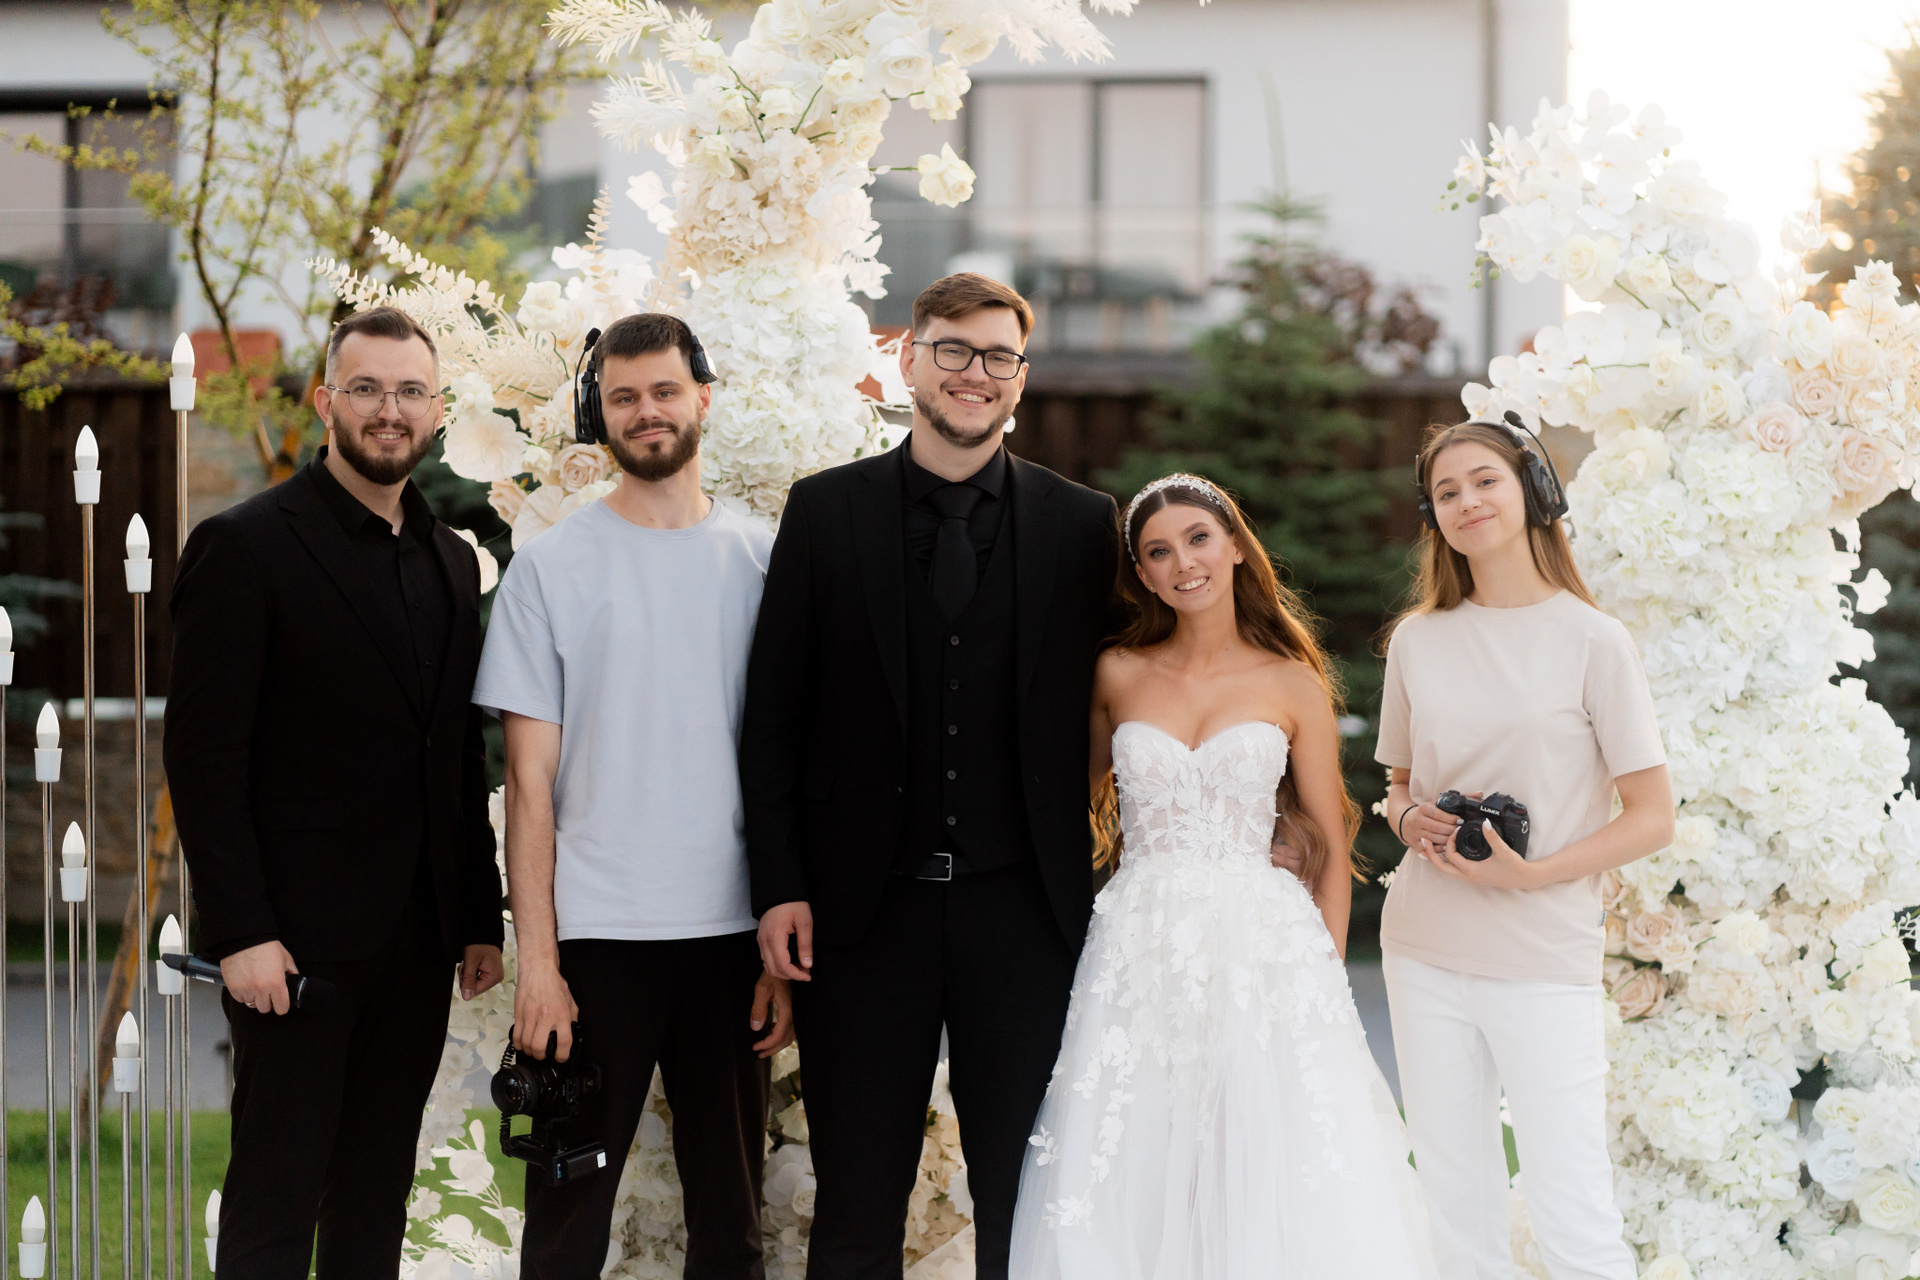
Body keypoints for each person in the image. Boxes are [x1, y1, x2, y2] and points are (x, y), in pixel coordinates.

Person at [740, 273, 1119, 1280]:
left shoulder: (1083, 524)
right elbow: (773, 716)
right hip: (861, 915)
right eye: (953, 349)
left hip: (1026, 914)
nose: (973, 372)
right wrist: (779, 885)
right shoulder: (824, 511)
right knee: (855, 1203)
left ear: (1021, 379)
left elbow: (1146, 689)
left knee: (1026, 1205)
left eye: (998, 356)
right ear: (907, 359)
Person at [1006, 473, 1437, 1278]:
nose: (1183, 563)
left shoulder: (1291, 680)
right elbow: (1057, 808)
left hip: (1263, 952)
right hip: (1139, 945)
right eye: (1158, 552)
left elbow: (1332, 844)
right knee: (1136, 1147)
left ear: (1236, 547)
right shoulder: (1116, 673)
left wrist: (1320, 976)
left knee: (1264, 1156)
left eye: (1198, 539)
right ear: (1142, 575)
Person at [166, 305, 506, 1278]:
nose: (388, 410)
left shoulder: (451, 561)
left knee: (374, 1197)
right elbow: (203, 758)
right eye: (365, 388)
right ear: (325, 402)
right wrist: (241, 930)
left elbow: (453, 752)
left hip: (418, 943)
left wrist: (475, 916)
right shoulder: (245, 546)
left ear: (436, 410)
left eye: (409, 391)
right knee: (274, 1201)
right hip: (293, 947)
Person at [476, 312, 793, 1279]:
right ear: (598, 413)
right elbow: (528, 784)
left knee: (732, 1232)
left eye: (664, 391)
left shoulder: (767, 561)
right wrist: (540, 964)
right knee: (565, 1227)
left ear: (703, 397)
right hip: (597, 943)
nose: (646, 411)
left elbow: (794, 768)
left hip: (731, 941)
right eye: (623, 397)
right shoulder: (551, 568)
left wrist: (779, 951)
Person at [1379, 417, 1674, 1280]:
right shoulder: (1417, 640)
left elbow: (1653, 816)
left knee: (1572, 1209)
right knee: (1455, 1209)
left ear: (1535, 492)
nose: (1466, 502)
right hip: (1423, 949)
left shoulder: (1594, 640)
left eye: (1485, 481)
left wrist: (1534, 873)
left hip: (1544, 955)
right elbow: (1397, 786)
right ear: (1432, 517)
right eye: (1446, 492)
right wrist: (1408, 819)